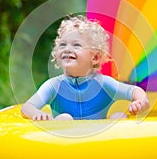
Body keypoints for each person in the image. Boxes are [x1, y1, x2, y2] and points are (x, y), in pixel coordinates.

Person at [21, 15, 149, 120]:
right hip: (66, 140)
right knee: (64, 118)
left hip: (99, 141)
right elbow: (27, 107)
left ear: (95, 58)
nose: (67, 49)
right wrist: (37, 114)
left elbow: (134, 91)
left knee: (119, 117)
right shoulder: (54, 86)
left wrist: (140, 101)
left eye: (76, 45)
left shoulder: (103, 83)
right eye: (63, 44)